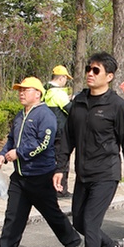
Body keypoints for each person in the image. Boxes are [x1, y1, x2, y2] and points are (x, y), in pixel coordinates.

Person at [54, 52, 124, 247]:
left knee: (91, 222)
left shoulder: (117, 106)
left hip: (106, 173)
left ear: (109, 77)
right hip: (83, 173)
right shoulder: (79, 101)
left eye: (96, 70)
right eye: (88, 69)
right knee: (79, 222)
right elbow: (67, 138)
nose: (90, 73)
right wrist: (61, 168)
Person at [0, 77, 82, 247]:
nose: (21, 93)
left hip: (40, 176)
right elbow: (11, 140)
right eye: (19, 90)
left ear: (37, 93)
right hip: (20, 177)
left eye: (26, 90)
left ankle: (72, 240)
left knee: (51, 213)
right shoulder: (20, 115)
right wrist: (3, 155)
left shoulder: (45, 115)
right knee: (13, 215)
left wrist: (19, 153)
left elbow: (44, 143)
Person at [44, 65, 73, 197]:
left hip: (48, 131)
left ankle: (49, 187)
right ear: (61, 78)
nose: (66, 81)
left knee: (50, 160)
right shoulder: (59, 93)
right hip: (61, 132)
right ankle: (61, 190)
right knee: (62, 160)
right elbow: (70, 110)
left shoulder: (44, 91)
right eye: (66, 78)